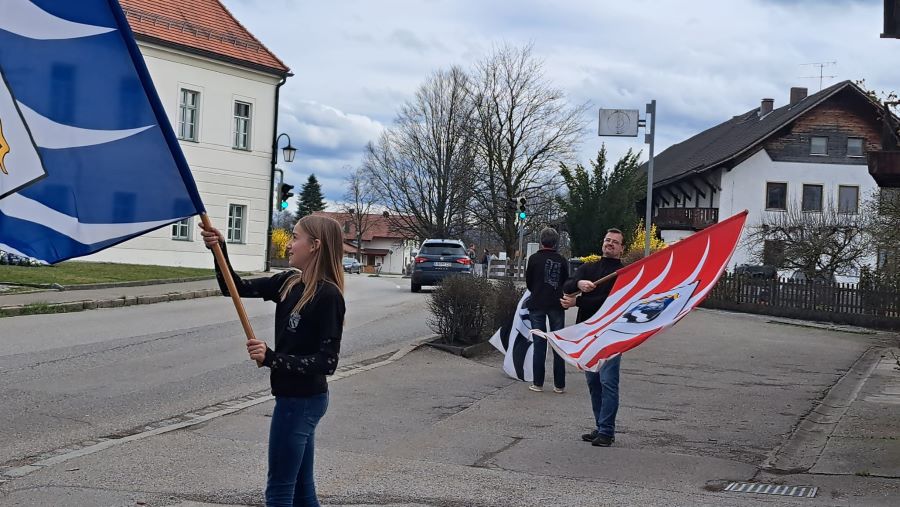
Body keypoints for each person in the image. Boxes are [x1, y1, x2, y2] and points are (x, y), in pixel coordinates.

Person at [200, 215, 346, 507]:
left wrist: (272, 358)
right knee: (302, 492)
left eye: (295, 237)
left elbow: (326, 362)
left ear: (315, 245)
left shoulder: (328, 296)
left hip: (302, 401)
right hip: (293, 400)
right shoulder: (288, 283)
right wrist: (220, 250)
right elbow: (234, 287)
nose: (289, 245)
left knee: (279, 491)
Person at [561, 228, 625, 447]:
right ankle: (600, 426)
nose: (610, 244)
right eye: (607, 240)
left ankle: (607, 431)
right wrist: (578, 285)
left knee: (608, 382)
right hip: (588, 334)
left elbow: (608, 303)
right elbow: (567, 286)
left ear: (621, 248)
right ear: (602, 243)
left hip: (611, 335)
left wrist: (577, 302)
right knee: (593, 382)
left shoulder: (624, 274)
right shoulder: (589, 268)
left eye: (615, 242)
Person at [525, 227, 569, 393]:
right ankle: (559, 384)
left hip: (537, 303)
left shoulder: (534, 259)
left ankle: (538, 383)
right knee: (558, 343)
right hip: (556, 304)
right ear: (556, 242)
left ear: (541, 241)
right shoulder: (562, 260)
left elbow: (529, 282)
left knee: (539, 344)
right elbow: (566, 282)